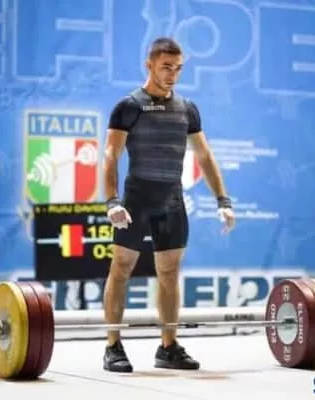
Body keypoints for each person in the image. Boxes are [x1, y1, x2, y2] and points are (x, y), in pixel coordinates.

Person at [101, 37, 236, 373]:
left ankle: (168, 346)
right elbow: (111, 155)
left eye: (177, 68)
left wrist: (222, 200)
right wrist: (112, 201)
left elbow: (204, 156)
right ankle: (112, 346)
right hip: (136, 201)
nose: (172, 74)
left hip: (171, 201)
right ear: (149, 65)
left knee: (170, 273)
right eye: (165, 67)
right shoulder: (129, 106)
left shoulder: (187, 109)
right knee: (121, 269)